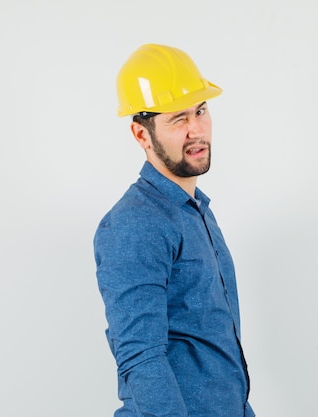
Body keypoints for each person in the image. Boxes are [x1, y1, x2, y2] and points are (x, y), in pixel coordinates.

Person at [93, 44, 255, 417]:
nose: (196, 130)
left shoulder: (197, 212)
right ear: (141, 135)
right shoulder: (136, 223)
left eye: (200, 110)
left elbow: (213, 349)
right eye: (177, 119)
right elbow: (141, 359)